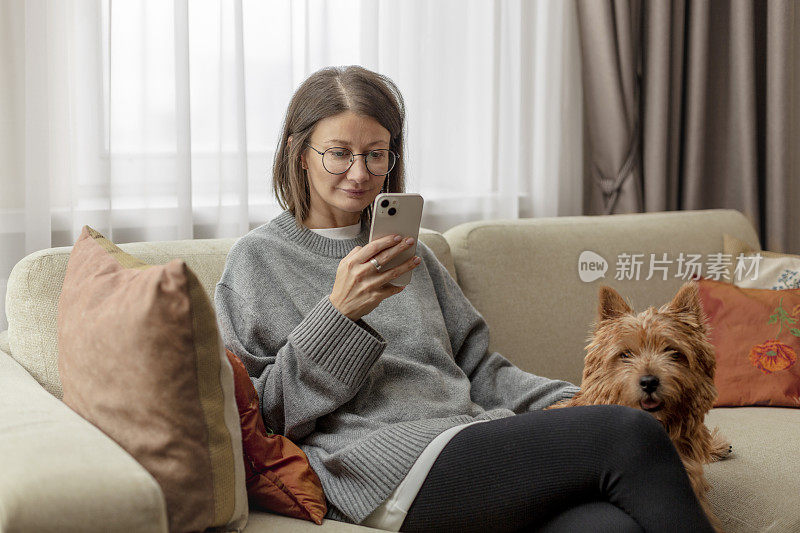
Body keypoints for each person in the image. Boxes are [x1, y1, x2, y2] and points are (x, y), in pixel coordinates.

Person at [214, 65, 714, 533]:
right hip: (380, 466)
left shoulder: (415, 255)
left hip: (468, 439)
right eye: (339, 152)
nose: (360, 172)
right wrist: (337, 315)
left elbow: (480, 369)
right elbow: (263, 418)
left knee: (612, 526)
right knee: (629, 434)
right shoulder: (257, 262)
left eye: (376, 154)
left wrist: (573, 402)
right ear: (299, 151)